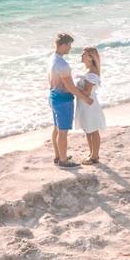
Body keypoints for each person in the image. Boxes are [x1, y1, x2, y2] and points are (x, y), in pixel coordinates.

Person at [48, 32, 92, 168]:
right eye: (69, 45)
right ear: (64, 45)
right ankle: (63, 161)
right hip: (63, 100)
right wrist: (85, 98)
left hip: (53, 97)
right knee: (63, 132)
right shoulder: (62, 64)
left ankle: (58, 156)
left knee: (56, 129)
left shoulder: (52, 58)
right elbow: (69, 86)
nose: (70, 48)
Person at [75, 46, 106, 165]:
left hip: (89, 105)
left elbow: (87, 92)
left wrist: (73, 88)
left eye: (84, 54)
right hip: (84, 104)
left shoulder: (92, 73)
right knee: (88, 129)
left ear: (90, 57)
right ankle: (91, 153)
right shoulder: (88, 71)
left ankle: (94, 156)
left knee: (93, 130)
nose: (81, 56)